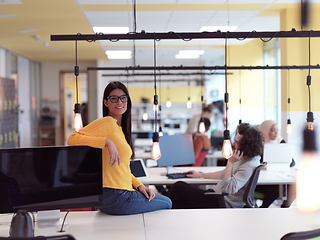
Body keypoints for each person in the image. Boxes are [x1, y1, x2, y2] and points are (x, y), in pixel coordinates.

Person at [67, 81, 172, 215]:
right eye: (114, 99)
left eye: (123, 98)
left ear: (127, 101)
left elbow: (123, 168)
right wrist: (107, 142)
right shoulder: (107, 122)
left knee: (159, 202)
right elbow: (72, 139)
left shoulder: (120, 129)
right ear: (106, 102)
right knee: (167, 203)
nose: (119, 102)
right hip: (116, 196)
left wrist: (139, 185)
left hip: (112, 197)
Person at [166, 123, 263, 209]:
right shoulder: (245, 158)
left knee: (178, 186)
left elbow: (227, 188)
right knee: (179, 204)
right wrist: (200, 175)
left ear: (246, 146)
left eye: (237, 142)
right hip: (216, 195)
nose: (233, 144)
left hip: (221, 201)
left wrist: (230, 162)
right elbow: (224, 174)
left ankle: (163, 204)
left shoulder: (249, 165)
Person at [255, 120, 295, 208]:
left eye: (277, 130)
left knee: (294, 184)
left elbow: (292, 162)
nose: (276, 133)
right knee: (277, 187)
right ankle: (264, 207)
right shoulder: (258, 144)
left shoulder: (280, 141)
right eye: (272, 130)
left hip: (278, 177)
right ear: (265, 130)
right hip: (262, 181)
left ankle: (285, 206)